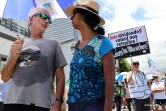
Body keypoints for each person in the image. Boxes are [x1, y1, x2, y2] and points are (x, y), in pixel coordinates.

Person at [1, 7, 67, 111]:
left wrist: (58, 102)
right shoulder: (18, 44)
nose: (46, 21)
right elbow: (4, 77)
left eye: (49, 20)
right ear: (31, 19)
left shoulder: (54, 44)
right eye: (43, 16)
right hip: (12, 102)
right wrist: (14, 56)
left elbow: (60, 75)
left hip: (40, 104)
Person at [65, 0, 115, 111]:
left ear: (83, 16)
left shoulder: (103, 42)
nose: (71, 18)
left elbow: (110, 79)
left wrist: (107, 108)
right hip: (73, 104)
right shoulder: (77, 46)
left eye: (74, 14)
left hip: (93, 104)